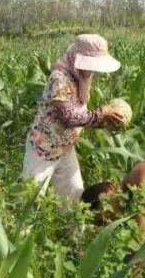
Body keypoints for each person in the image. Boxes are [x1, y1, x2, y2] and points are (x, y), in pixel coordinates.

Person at [22, 34, 127, 200]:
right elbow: (69, 117)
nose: (92, 69)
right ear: (77, 57)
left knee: (74, 199)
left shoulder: (82, 77)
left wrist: (105, 121)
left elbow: (82, 115)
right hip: (43, 150)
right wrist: (102, 112)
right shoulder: (60, 78)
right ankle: (19, 227)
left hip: (65, 149)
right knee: (29, 200)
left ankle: (75, 227)